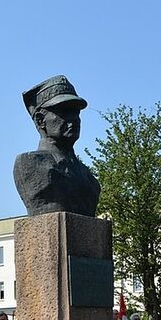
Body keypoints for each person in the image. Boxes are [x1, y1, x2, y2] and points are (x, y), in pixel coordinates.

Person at [14, 75, 100, 217]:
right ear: (41, 120)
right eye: (65, 112)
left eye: (76, 113)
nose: (74, 119)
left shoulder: (89, 179)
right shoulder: (29, 165)